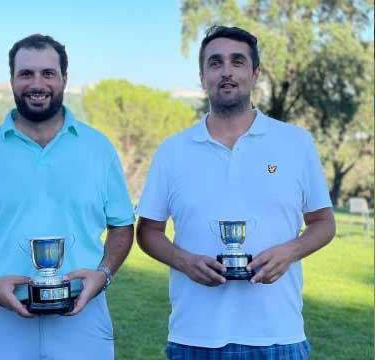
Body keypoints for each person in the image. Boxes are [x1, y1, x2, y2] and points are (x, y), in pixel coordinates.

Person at [136, 26, 335, 359]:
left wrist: (291, 251)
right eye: (215, 63)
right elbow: (148, 232)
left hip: (279, 337)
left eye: (237, 62)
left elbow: (324, 222)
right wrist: (184, 262)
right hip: (193, 339)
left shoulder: (296, 143)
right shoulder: (172, 151)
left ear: (254, 73)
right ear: (202, 76)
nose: (226, 71)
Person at [0, 34, 134, 360]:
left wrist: (104, 274)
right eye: (26, 74)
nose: (36, 83)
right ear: (12, 80)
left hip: (82, 318)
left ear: (64, 80)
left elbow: (122, 226)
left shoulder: (98, 149)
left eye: (47, 73)